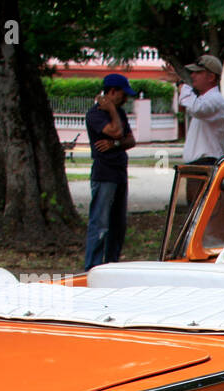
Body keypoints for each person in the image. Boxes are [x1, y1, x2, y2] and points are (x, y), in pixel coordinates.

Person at [84, 73, 137, 271]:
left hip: (119, 173)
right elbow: (116, 131)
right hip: (104, 174)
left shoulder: (120, 113)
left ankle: (112, 265)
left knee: (118, 225)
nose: (126, 99)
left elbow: (130, 140)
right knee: (100, 224)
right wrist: (113, 112)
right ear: (112, 92)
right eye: (123, 95)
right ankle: (92, 267)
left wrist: (115, 144)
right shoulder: (96, 114)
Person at [179, 54, 224, 246]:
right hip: (198, 166)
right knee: (197, 219)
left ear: (211, 77)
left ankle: (213, 253)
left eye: (198, 73)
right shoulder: (206, 99)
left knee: (211, 221)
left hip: (207, 165)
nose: (193, 77)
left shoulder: (215, 100)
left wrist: (182, 88)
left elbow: (196, 108)